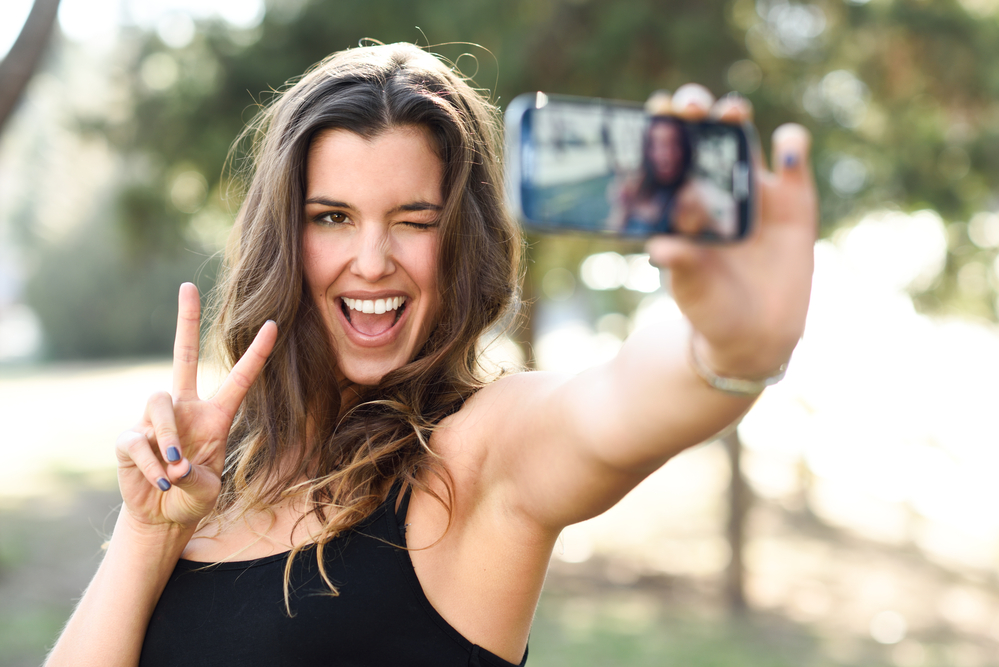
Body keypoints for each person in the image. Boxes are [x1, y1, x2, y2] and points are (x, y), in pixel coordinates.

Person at [46, 42, 816, 667]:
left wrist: (733, 343)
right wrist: (148, 532)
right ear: (284, 234)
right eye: (333, 217)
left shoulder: (476, 452)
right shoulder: (216, 475)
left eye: (414, 220)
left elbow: (613, 408)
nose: (374, 260)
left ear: (459, 239)